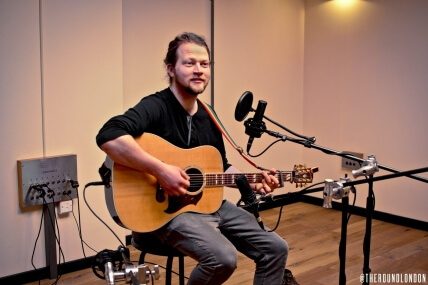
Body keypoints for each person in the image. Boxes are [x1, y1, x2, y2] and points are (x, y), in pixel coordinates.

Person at [96, 32, 295, 285]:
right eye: (189, 63)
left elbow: (219, 166)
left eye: (205, 64)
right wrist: (160, 170)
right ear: (171, 68)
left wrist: (250, 183)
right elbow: (109, 135)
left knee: (276, 248)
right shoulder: (156, 106)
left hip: (208, 205)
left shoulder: (208, 115)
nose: (199, 70)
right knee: (223, 258)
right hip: (165, 214)